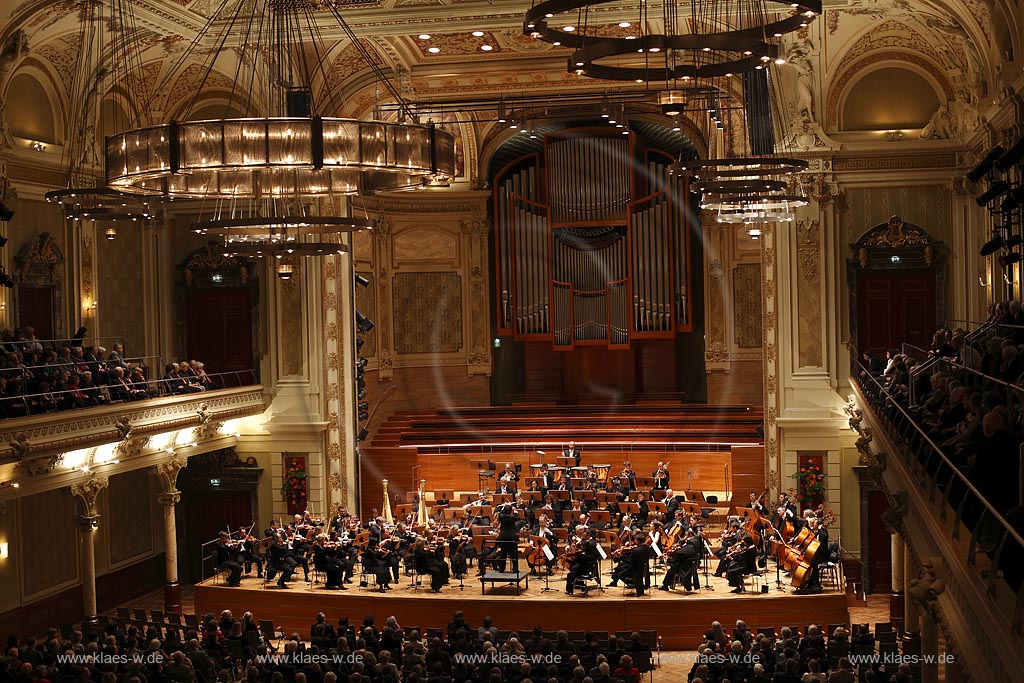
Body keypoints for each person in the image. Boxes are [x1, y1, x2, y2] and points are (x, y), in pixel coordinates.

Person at [565, 526, 599, 594]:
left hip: (586, 567)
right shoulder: (590, 542)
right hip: (583, 565)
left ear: (588, 535)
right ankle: (582, 588)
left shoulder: (591, 543)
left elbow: (586, 546)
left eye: (585, 536)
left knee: (571, 574)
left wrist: (580, 542)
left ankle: (571, 590)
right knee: (572, 571)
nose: (584, 537)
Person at [494, 503, 523, 572]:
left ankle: (501, 569)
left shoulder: (501, 516)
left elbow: (500, 512)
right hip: (512, 537)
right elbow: (518, 516)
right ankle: (515, 569)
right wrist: (514, 510)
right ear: (510, 511)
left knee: (503, 553)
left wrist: (503, 506)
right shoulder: (513, 518)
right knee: (514, 554)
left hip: (503, 536)